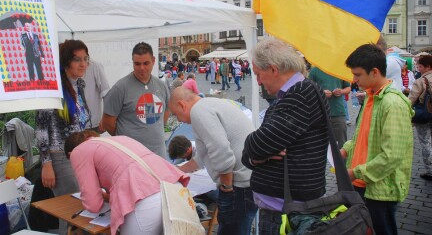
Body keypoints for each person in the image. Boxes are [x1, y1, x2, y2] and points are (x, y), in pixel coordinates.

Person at [241, 37, 328, 234]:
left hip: (287, 212)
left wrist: (255, 151)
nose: (258, 81)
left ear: (273, 69)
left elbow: (255, 145)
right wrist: (256, 154)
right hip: (286, 206)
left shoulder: (300, 94)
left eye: (259, 74)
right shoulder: (298, 92)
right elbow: (249, 155)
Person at [343, 43, 413, 235]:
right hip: (363, 183)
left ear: (374, 72)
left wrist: (355, 172)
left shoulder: (393, 103)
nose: (354, 80)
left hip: (380, 189)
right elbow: (362, 135)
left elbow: (392, 156)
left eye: (357, 75)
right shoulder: (371, 96)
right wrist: (346, 149)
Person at [65, 130, 190, 235]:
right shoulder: (119, 139)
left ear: (70, 154)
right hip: (173, 190)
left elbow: (93, 205)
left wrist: (99, 196)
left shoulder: (78, 151)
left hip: (147, 203)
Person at [170, 87, 258, 235]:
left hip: (239, 187)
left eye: (176, 114)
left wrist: (226, 185)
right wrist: (176, 171)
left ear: (182, 105)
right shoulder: (208, 105)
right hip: (248, 183)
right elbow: (202, 157)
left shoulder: (199, 112)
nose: (178, 120)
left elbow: (221, 151)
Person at [34, 39, 93, 234]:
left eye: (85, 59)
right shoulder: (52, 89)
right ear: (66, 61)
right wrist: (46, 163)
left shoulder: (79, 85)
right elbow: (41, 128)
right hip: (60, 157)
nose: (83, 64)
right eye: (77, 59)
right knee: (72, 212)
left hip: (80, 154)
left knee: (81, 209)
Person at [102, 42, 170, 158]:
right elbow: (107, 122)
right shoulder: (120, 88)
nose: (142, 68)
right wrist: (125, 140)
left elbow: (166, 111)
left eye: (146, 63)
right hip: (131, 157)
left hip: (158, 155)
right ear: (132, 62)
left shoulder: (161, 85)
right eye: (137, 64)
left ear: (153, 61)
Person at [308, 66, 351, 148]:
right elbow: (309, 88)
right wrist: (321, 92)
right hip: (319, 113)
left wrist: (341, 91)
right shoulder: (315, 70)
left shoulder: (340, 70)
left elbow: (348, 88)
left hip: (338, 111)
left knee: (341, 145)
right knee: (319, 145)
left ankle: (341, 161)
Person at [408, 54, 432, 181]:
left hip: (424, 115)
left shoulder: (421, 81)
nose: (418, 68)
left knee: (425, 143)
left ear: (428, 67)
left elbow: (410, 100)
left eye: (420, 66)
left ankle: (430, 171)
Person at [83, 59, 110, 132]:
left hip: (91, 124)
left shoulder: (94, 66)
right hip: (71, 124)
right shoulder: (63, 66)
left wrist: (105, 118)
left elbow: (106, 93)